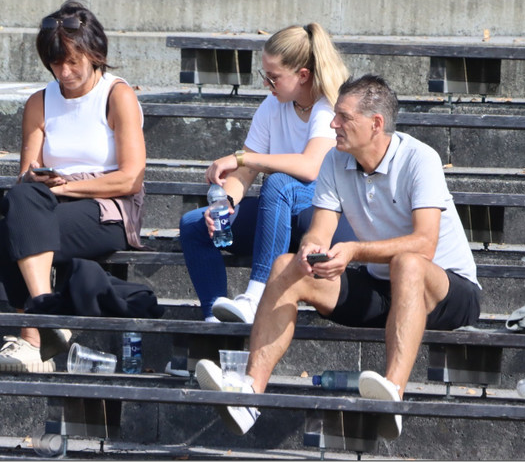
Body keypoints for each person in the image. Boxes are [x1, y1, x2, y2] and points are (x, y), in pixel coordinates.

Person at [195, 74, 481, 440]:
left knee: (408, 262)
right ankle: (250, 395)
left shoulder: (419, 158)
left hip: (447, 291)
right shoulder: (334, 160)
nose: (333, 124)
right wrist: (311, 249)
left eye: (343, 117)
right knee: (285, 266)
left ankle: (392, 395)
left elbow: (424, 244)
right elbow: (320, 230)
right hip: (384, 289)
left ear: (376, 123)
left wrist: (355, 250)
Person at [0, 0, 147, 373]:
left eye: (73, 62)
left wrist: (64, 189)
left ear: (94, 53)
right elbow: (26, 174)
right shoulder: (39, 102)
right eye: (56, 63)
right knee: (18, 205)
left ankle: (33, 335)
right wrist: (39, 180)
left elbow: (131, 177)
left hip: (108, 206)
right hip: (48, 202)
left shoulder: (116, 95)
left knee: (10, 231)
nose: (65, 72)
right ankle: (46, 313)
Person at [180, 23, 351, 324]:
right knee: (194, 224)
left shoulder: (329, 107)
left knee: (280, 183)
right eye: (265, 74)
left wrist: (241, 157)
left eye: (274, 77)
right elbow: (245, 173)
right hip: (278, 215)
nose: (266, 84)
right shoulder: (273, 105)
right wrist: (225, 203)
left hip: (325, 218)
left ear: (303, 75)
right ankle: (215, 318)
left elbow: (310, 167)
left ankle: (257, 296)